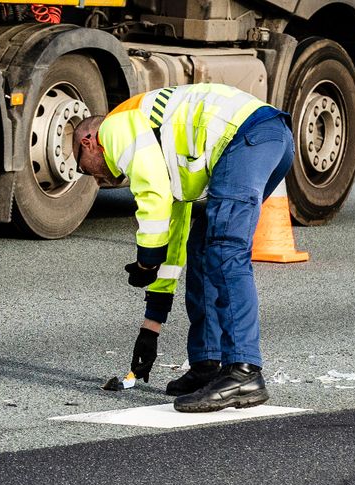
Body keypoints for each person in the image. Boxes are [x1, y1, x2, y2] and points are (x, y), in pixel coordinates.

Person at [73, 83, 295, 412]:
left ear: (88, 142)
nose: (90, 176)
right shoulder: (156, 143)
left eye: (82, 165)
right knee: (202, 250)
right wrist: (151, 326)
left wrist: (146, 260)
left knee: (225, 251)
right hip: (267, 139)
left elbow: (153, 199)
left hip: (250, 137)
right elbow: (172, 236)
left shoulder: (116, 128)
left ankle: (244, 371)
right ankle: (208, 364)